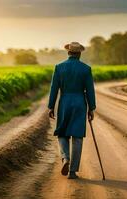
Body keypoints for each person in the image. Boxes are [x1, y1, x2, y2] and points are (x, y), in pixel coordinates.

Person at [48, 42, 96, 179]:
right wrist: (91, 108)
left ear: (68, 53)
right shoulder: (86, 69)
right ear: (79, 54)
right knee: (77, 137)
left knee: (62, 133)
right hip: (80, 103)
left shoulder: (59, 67)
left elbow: (54, 89)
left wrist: (51, 106)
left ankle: (65, 158)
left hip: (64, 103)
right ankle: (73, 171)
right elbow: (90, 90)